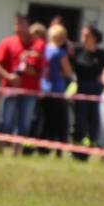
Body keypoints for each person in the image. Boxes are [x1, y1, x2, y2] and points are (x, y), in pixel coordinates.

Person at [0, 14, 44, 155]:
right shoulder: (7, 42)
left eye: (21, 24)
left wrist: (27, 65)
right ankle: (0, 151)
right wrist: (8, 76)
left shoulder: (37, 45)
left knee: (24, 123)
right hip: (9, 89)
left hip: (29, 91)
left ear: (28, 26)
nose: (18, 27)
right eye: (16, 24)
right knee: (5, 121)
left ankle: (16, 152)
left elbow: (38, 70)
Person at [69, 26, 104, 160]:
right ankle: (76, 150)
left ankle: (89, 150)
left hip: (95, 92)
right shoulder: (76, 51)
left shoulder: (103, 55)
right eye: (82, 35)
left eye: (87, 35)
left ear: (95, 38)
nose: (83, 38)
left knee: (93, 122)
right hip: (79, 91)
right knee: (79, 122)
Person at [37, 24, 74, 154]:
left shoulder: (44, 50)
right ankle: (54, 148)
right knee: (58, 122)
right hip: (57, 90)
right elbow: (68, 72)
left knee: (43, 120)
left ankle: (41, 147)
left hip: (43, 88)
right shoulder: (59, 52)